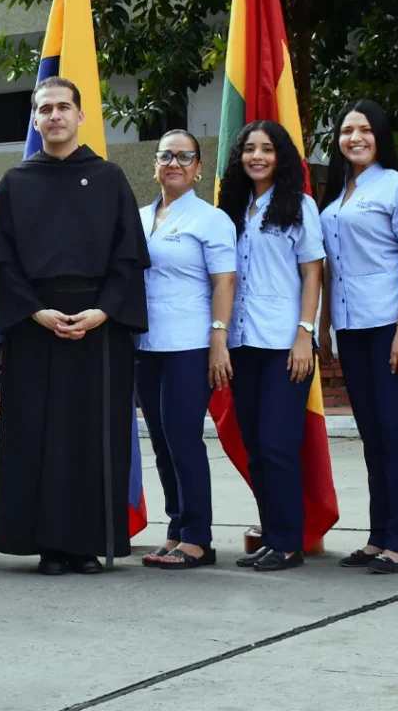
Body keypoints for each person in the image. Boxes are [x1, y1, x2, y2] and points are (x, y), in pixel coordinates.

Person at [0, 76, 149, 575]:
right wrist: (36, 311)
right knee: (36, 435)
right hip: (35, 323)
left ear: (81, 116)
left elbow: (129, 257)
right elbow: (2, 261)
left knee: (91, 435)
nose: (54, 116)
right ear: (34, 120)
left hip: (100, 324)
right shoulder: (15, 183)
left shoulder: (109, 177)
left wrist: (103, 311)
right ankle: (47, 547)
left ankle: (87, 543)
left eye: (63, 107)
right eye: (44, 108)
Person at [318, 101, 398, 574]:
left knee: (397, 433)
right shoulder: (337, 193)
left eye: (364, 129)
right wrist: (323, 326)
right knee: (373, 436)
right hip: (351, 327)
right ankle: (378, 534)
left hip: (390, 325)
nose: (355, 137)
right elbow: (327, 269)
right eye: (346, 130)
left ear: (380, 135)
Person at [217, 120, 324, 572]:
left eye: (266, 149)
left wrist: (305, 333)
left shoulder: (299, 206)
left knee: (279, 445)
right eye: (248, 149)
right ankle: (273, 535)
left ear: (280, 156)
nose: (256, 156)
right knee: (257, 446)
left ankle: (289, 543)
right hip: (242, 342)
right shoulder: (233, 210)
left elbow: (313, 273)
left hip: (284, 343)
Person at [136, 130, 236, 570]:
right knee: (160, 441)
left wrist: (219, 340)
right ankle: (176, 528)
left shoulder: (211, 219)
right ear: (154, 165)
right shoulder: (139, 218)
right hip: (146, 344)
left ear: (197, 169)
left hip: (191, 345)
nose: (174, 163)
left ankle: (198, 537)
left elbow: (225, 283)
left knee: (182, 437)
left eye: (184, 157)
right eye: (166, 156)